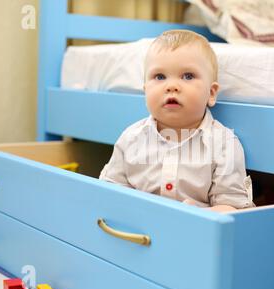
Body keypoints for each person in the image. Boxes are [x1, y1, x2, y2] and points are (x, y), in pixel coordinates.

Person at [99, 30, 254, 213]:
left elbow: (231, 206)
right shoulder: (130, 138)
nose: (171, 86)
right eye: (160, 77)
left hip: (195, 233)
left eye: (187, 76)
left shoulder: (224, 144)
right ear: (146, 90)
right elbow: (109, 192)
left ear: (211, 93)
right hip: (138, 231)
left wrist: (197, 216)